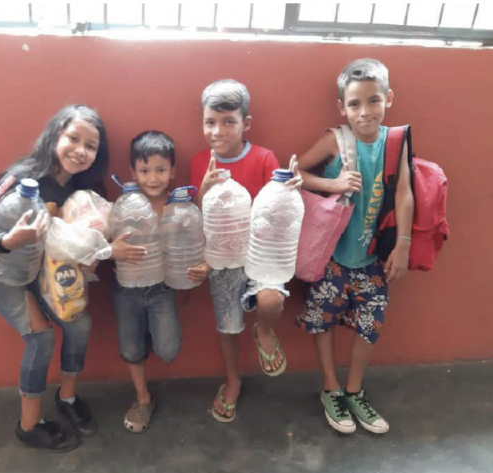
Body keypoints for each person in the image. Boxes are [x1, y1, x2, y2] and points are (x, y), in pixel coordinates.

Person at [0, 105, 146, 451]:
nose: (80, 151)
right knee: (41, 339)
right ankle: (29, 425)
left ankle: (68, 398)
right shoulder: (21, 178)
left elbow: (73, 241)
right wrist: (6, 240)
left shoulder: (83, 191)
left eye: (91, 146)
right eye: (73, 138)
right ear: (54, 137)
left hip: (41, 266)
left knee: (79, 324)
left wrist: (96, 255)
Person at [296, 58, 414, 434]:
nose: (365, 112)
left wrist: (404, 244)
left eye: (374, 100)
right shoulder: (335, 140)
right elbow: (296, 171)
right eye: (354, 104)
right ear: (342, 107)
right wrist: (332, 184)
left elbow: (405, 192)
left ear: (388, 98)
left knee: (369, 325)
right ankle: (330, 388)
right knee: (323, 319)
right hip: (330, 259)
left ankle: (354, 390)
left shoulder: (396, 141)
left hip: (373, 259)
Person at [188, 79, 300, 423]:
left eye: (228, 122)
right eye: (210, 122)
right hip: (223, 259)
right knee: (228, 326)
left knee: (271, 299)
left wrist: (291, 187)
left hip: (261, 253)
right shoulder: (201, 162)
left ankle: (264, 330)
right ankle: (232, 380)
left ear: (245, 123)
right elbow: (198, 218)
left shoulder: (264, 158)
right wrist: (202, 190)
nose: (217, 131)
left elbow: (276, 207)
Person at [111, 131, 182, 433]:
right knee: (131, 349)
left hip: (161, 288)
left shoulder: (179, 205)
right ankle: (143, 398)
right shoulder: (123, 205)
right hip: (126, 287)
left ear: (172, 171)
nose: (152, 178)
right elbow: (105, 238)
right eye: (144, 170)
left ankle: (151, 332)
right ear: (133, 172)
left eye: (160, 170)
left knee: (168, 350)